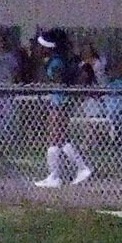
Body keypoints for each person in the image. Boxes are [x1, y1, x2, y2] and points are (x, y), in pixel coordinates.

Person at [33, 27, 92, 186]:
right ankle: (55, 175)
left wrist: (51, 80)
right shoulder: (54, 60)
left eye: (41, 46)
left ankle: (79, 168)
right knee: (56, 137)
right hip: (58, 100)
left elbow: (60, 79)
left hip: (60, 101)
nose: (39, 49)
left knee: (56, 136)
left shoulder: (57, 61)